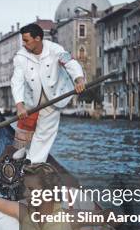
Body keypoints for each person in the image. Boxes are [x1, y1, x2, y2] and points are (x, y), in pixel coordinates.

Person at [11, 23, 86, 163]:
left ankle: (32, 163)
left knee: (44, 133)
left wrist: (79, 79)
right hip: (31, 95)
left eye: (26, 40)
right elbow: (17, 81)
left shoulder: (55, 50)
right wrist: (20, 106)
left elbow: (70, 62)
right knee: (26, 123)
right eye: (23, 40)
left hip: (53, 95)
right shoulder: (20, 56)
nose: (23, 44)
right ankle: (25, 148)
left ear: (38, 38)